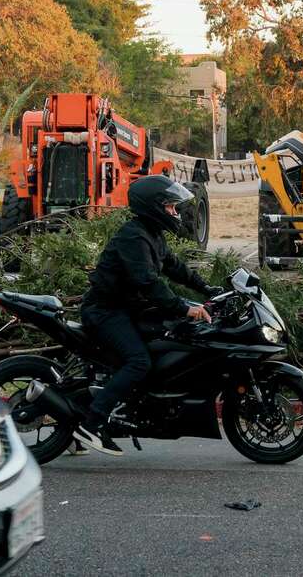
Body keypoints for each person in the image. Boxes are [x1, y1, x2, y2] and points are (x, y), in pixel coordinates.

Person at [74, 175, 217, 455]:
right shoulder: (134, 237)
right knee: (139, 361)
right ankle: (92, 424)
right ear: (154, 207)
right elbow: (148, 283)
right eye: (170, 207)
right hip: (105, 311)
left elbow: (176, 267)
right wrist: (185, 308)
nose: (175, 212)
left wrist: (208, 289)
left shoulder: (152, 234)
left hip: (126, 309)